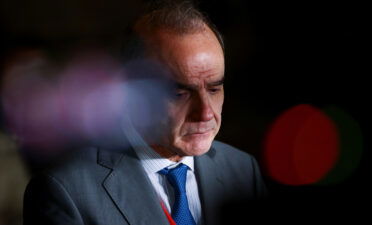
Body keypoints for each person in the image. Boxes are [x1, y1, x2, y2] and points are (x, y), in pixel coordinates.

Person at [23, 1, 267, 225]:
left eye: (214, 88)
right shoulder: (66, 191)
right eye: (179, 94)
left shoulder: (243, 170)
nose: (205, 113)